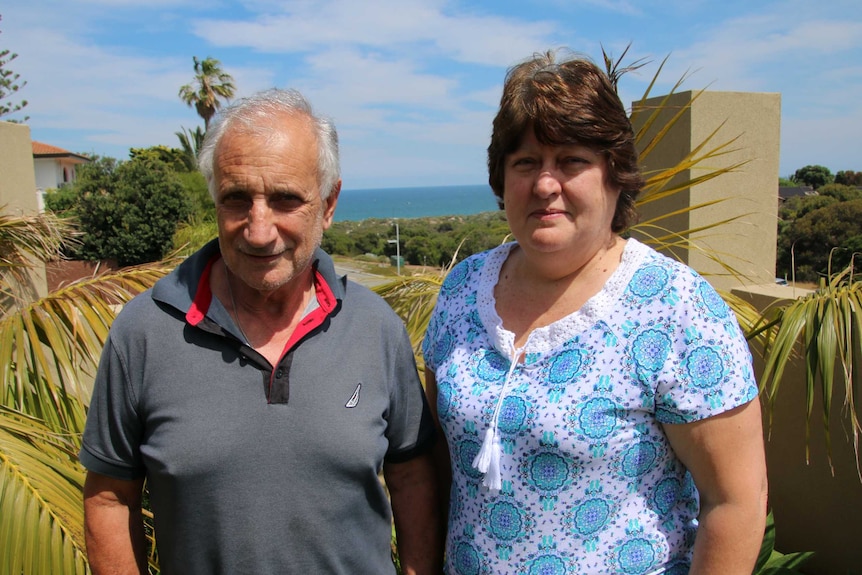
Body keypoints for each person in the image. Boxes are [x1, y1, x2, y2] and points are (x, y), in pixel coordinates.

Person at [422, 51, 768, 574]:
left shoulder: (675, 308)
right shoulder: (463, 289)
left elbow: (736, 501)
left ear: (614, 174)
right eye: (525, 162)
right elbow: (442, 461)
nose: (544, 184)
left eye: (571, 161)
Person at [80, 88, 441, 575]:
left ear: (329, 204)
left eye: (285, 199)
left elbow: (412, 477)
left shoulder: (375, 328)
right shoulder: (143, 332)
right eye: (236, 199)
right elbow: (109, 498)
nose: (259, 229)